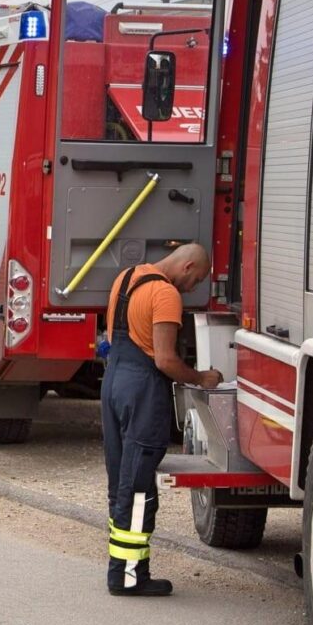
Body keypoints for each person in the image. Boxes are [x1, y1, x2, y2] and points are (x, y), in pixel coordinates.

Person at [102, 243, 221, 597]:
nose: (192, 287)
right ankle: (129, 577)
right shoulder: (166, 294)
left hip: (113, 386)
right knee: (138, 488)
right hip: (141, 392)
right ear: (186, 266)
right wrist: (201, 378)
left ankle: (120, 569)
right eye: (195, 279)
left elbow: (114, 337)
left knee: (121, 481)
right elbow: (165, 360)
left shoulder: (125, 279)